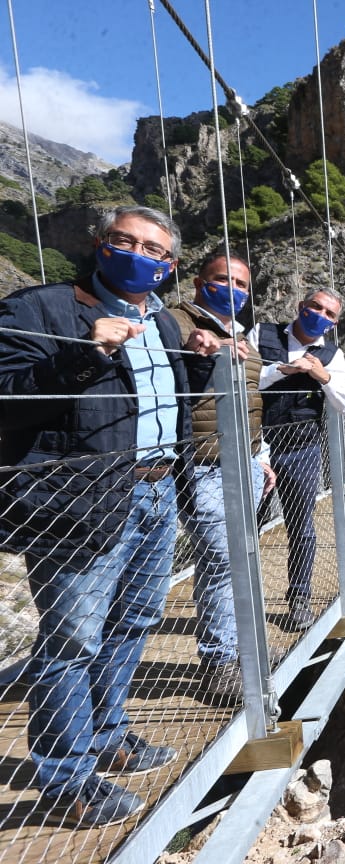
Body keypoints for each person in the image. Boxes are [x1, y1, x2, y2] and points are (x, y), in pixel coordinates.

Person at [0, 205, 198, 826]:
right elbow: (8, 399)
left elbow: (169, 403)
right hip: (82, 497)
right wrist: (85, 351)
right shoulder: (41, 308)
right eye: (124, 241)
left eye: (155, 251)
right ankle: (68, 781)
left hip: (157, 488)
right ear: (99, 243)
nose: (139, 255)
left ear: (168, 267)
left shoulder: (163, 322)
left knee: (136, 617)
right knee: (73, 639)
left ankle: (109, 732)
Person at [169, 251, 277, 698]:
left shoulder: (241, 334)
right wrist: (194, 352)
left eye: (241, 284)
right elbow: (165, 377)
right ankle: (219, 664)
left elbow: (251, 401)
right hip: (203, 464)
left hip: (246, 463)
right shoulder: (174, 323)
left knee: (239, 561)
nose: (232, 289)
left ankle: (236, 651)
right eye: (222, 279)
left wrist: (262, 454)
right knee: (224, 563)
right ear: (198, 282)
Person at [250, 287, 345, 632]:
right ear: (301, 306)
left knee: (302, 528)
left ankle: (298, 600)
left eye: (329, 313)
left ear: (334, 322)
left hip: (302, 448)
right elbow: (242, 379)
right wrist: (285, 369)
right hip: (254, 447)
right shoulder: (260, 334)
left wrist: (321, 376)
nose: (320, 315)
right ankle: (242, 602)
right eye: (315, 307)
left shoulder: (331, 355)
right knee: (245, 528)